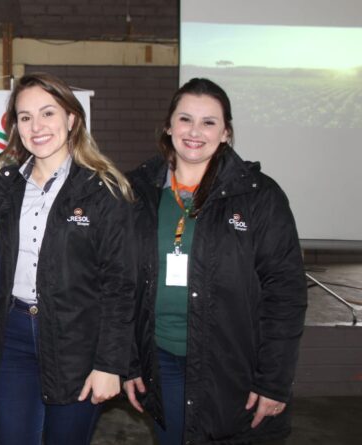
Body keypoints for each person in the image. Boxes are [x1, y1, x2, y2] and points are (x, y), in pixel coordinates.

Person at [123, 78, 308, 444]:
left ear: (226, 133)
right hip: (160, 360)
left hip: (232, 364)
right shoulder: (137, 191)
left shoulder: (259, 196)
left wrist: (273, 380)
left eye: (209, 122)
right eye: (185, 119)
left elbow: (285, 293)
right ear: (169, 126)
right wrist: (128, 362)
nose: (195, 132)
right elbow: (119, 284)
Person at [0, 72, 137, 445]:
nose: (36, 126)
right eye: (25, 117)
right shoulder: (4, 185)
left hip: (79, 343)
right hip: (14, 337)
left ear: (72, 120)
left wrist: (109, 364)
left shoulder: (104, 189)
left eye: (48, 113)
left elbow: (121, 286)